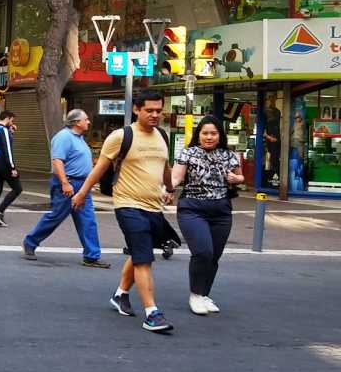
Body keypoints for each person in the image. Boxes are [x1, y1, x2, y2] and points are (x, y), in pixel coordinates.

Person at [71, 93, 176, 333]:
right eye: (150, 110)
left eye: (159, 110)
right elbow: (100, 169)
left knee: (141, 252)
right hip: (128, 205)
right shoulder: (121, 136)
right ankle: (152, 313)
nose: (155, 115)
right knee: (144, 258)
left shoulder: (161, 135)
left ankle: (120, 295)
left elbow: (165, 166)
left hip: (153, 206)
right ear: (137, 110)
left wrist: (170, 188)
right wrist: (82, 194)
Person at [170, 115, 243, 315]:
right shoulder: (188, 153)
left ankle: (204, 295)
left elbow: (240, 176)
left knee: (214, 256)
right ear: (198, 135)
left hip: (221, 211)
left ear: (220, 135)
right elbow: (176, 177)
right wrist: (166, 188)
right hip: (192, 208)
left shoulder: (229, 155)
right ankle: (195, 295)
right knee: (203, 252)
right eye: (205, 133)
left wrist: (237, 178)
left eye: (213, 133)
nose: (209, 137)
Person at [22, 110, 109, 268]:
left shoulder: (79, 138)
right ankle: (30, 242)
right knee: (56, 216)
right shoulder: (63, 137)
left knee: (88, 220)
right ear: (77, 122)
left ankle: (91, 255)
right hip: (68, 183)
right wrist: (64, 183)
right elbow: (57, 162)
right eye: (86, 119)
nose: (89, 122)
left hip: (82, 185)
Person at [0, 111, 22, 227]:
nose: (12, 123)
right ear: (7, 119)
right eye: (11, 120)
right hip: (4, 165)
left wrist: (10, 133)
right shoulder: (4, 130)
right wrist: (12, 167)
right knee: (17, 188)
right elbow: (7, 150)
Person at [263, 94, 282, 187]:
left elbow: (278, 126)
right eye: (270, 98)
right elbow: (262, 129)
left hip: (277, 139)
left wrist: (278, 138)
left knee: (276, 159)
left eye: (274, 98)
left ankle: (275, 180)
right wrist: (269, 137)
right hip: (270, 139)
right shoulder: (265, 112)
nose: (272, 100)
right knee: (270, 159)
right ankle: (270, 180)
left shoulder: (277, 111)